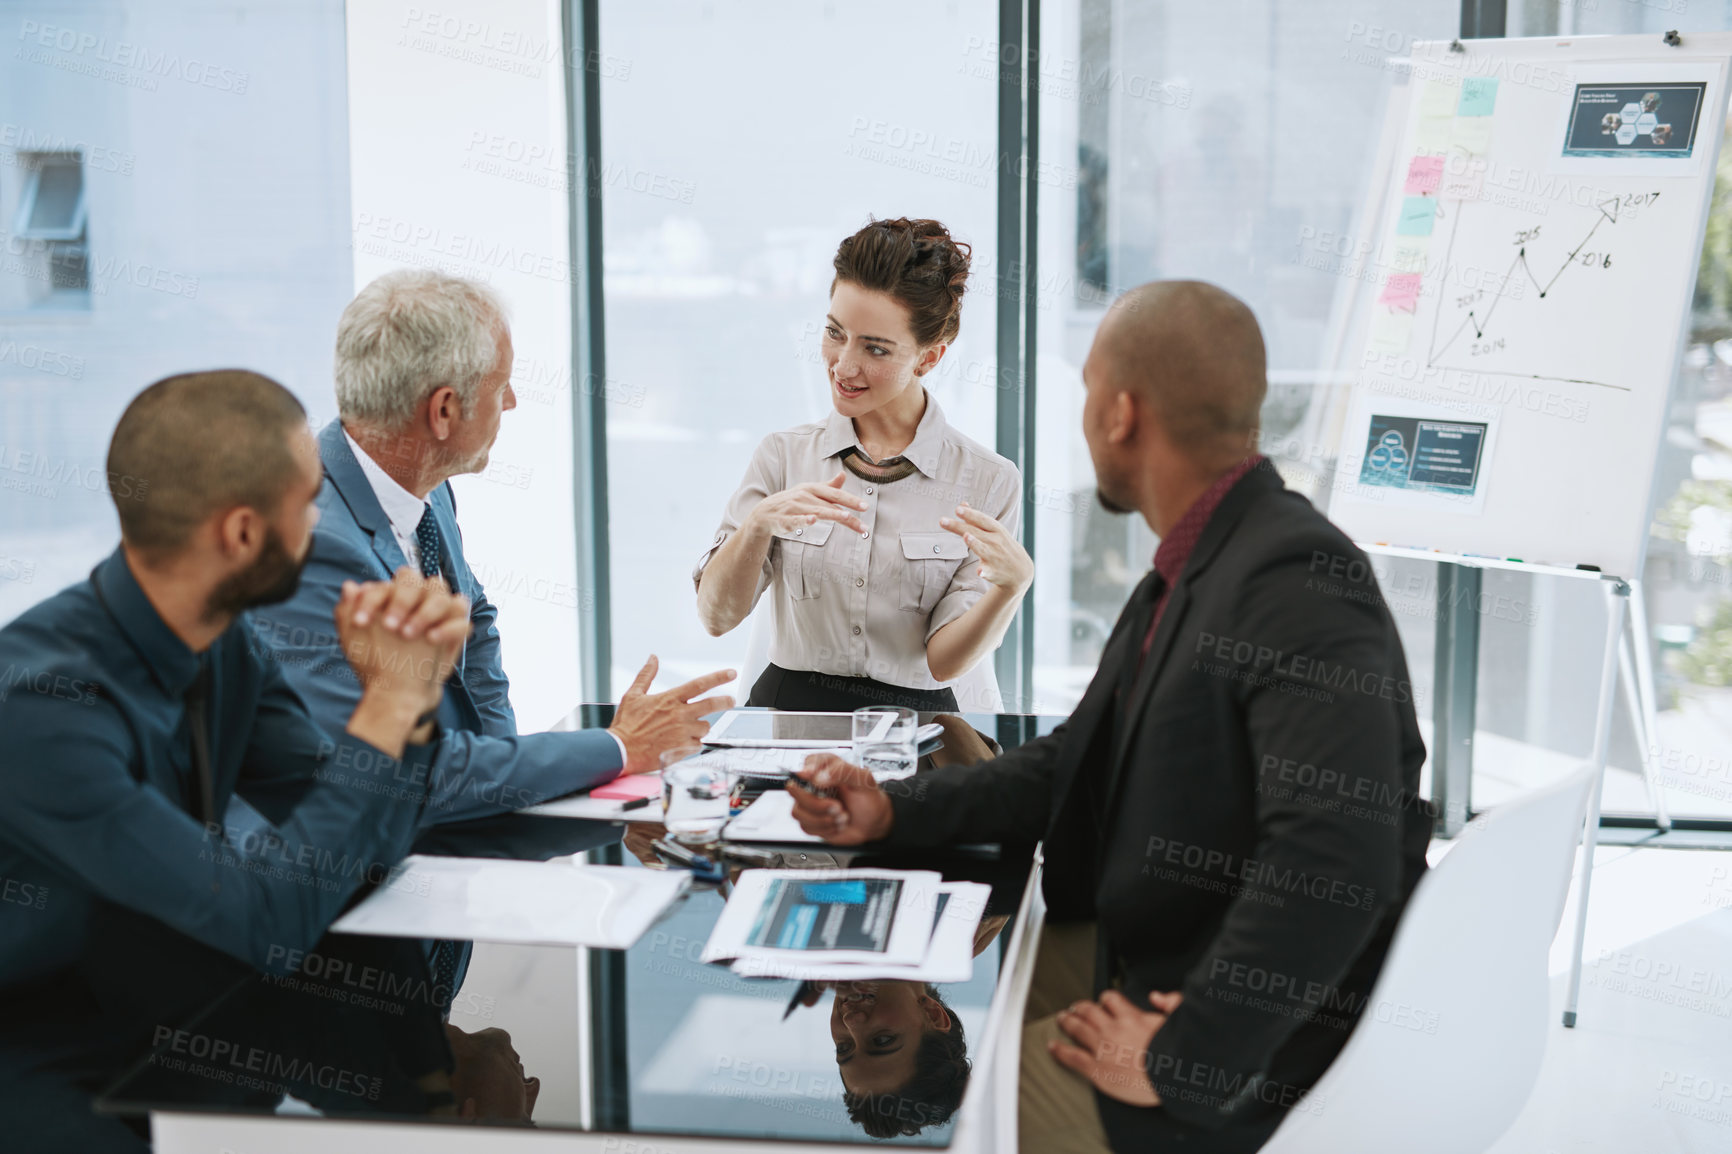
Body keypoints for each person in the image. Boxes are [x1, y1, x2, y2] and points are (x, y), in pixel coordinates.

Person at [789, 281, 1431, 1153]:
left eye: (1089, 393)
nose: (1083, 420)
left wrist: (1184, 1058)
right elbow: (1069, 762)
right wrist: (895, 808)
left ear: (1122, 412)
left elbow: (1336, 855)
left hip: (1230, 1037)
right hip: (1152, 943)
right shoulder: (1200, 562)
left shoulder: (1297, 582)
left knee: (972, 1126)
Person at [0, 371, 474, 1151]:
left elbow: (349, 842)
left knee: (409, 1102)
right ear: (245, 535)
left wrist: (406, 696)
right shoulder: (45, 708)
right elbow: (263, 921)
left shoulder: (223, 644)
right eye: (307, 504)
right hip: (47, 1056)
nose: (322, 523)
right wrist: (386, 705)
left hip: (177, 1011)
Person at [247, 269, 735, 1005]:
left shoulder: (420, 483)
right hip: (333, 938)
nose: (511, 401)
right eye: (502, 385)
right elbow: (398, 775)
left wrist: (498, 758)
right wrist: (615, 748)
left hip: (429, 877)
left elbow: (474, 618)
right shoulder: (316, 545)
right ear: (443, 410)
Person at [695, 217, 1032, 712]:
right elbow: (716, 618)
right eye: (835, 333)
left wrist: (1012, 586)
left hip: (918, 727)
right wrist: (758, 525)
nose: (843, 365)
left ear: (929, 357)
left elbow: (945, 662)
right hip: (787, 718)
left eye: (875, 348)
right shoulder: (782, 455)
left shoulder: (988, 479)